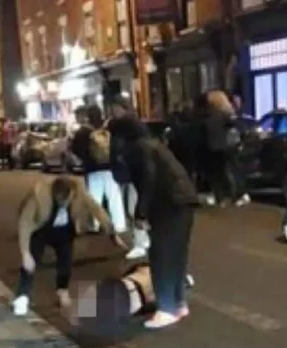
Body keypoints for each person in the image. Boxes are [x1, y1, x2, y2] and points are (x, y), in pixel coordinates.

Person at [110, 115, 199, 329]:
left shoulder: (137, 149)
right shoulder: (151, 144)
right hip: (183, 199)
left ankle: (166, 308)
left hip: (167, 204)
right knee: (176, 254)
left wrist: (141, 212)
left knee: (161, 255)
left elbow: (147, 179)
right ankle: (177, 303)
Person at [13, 174, 122, 317]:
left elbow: (96, 209)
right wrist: (25, 253)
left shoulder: (79, 190)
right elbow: (25, 223)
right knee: (30, 263)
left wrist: (112, 233)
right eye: (60, 199)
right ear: (54, 193)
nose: (64, 203)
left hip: (65, 230)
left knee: (66, 260)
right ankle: (22, 296)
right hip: (41, 228)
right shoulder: (39, 193)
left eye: (67, 199)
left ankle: (62, 290)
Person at [73, 262, 195, 339]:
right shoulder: (168, 292)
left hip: (125, 286)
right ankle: (87, 318)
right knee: (103, 316)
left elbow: (129, 271)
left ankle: (84, 315)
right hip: (133, 300)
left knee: (95, 295)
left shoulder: (148, 267)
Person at [71, 105, 126, 234]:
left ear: (88, 116)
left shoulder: (83, 132)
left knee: (95, 199)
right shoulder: (108, 128)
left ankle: (96, 224)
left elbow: (75, 149)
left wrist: (85, 158)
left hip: (92, 169)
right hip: (110, 168)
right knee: (114, 197)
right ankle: (119, 224)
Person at [108, 95, 151, 260]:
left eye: (117, 108)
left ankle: (140, 242)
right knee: (130, 207)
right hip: (126, 171)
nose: (114, 111)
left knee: (134, 207)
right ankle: (143, 239)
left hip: (134, 171)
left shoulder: (131, 126)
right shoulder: (119, 126)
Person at [202, 90, 241, 207]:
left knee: (223, 172)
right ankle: (225, 196)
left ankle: (229, 196)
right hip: (219, 146)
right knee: (221, 172)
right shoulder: (222, 114)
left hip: (222, 147)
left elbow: (230, 128)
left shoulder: (223, 115)